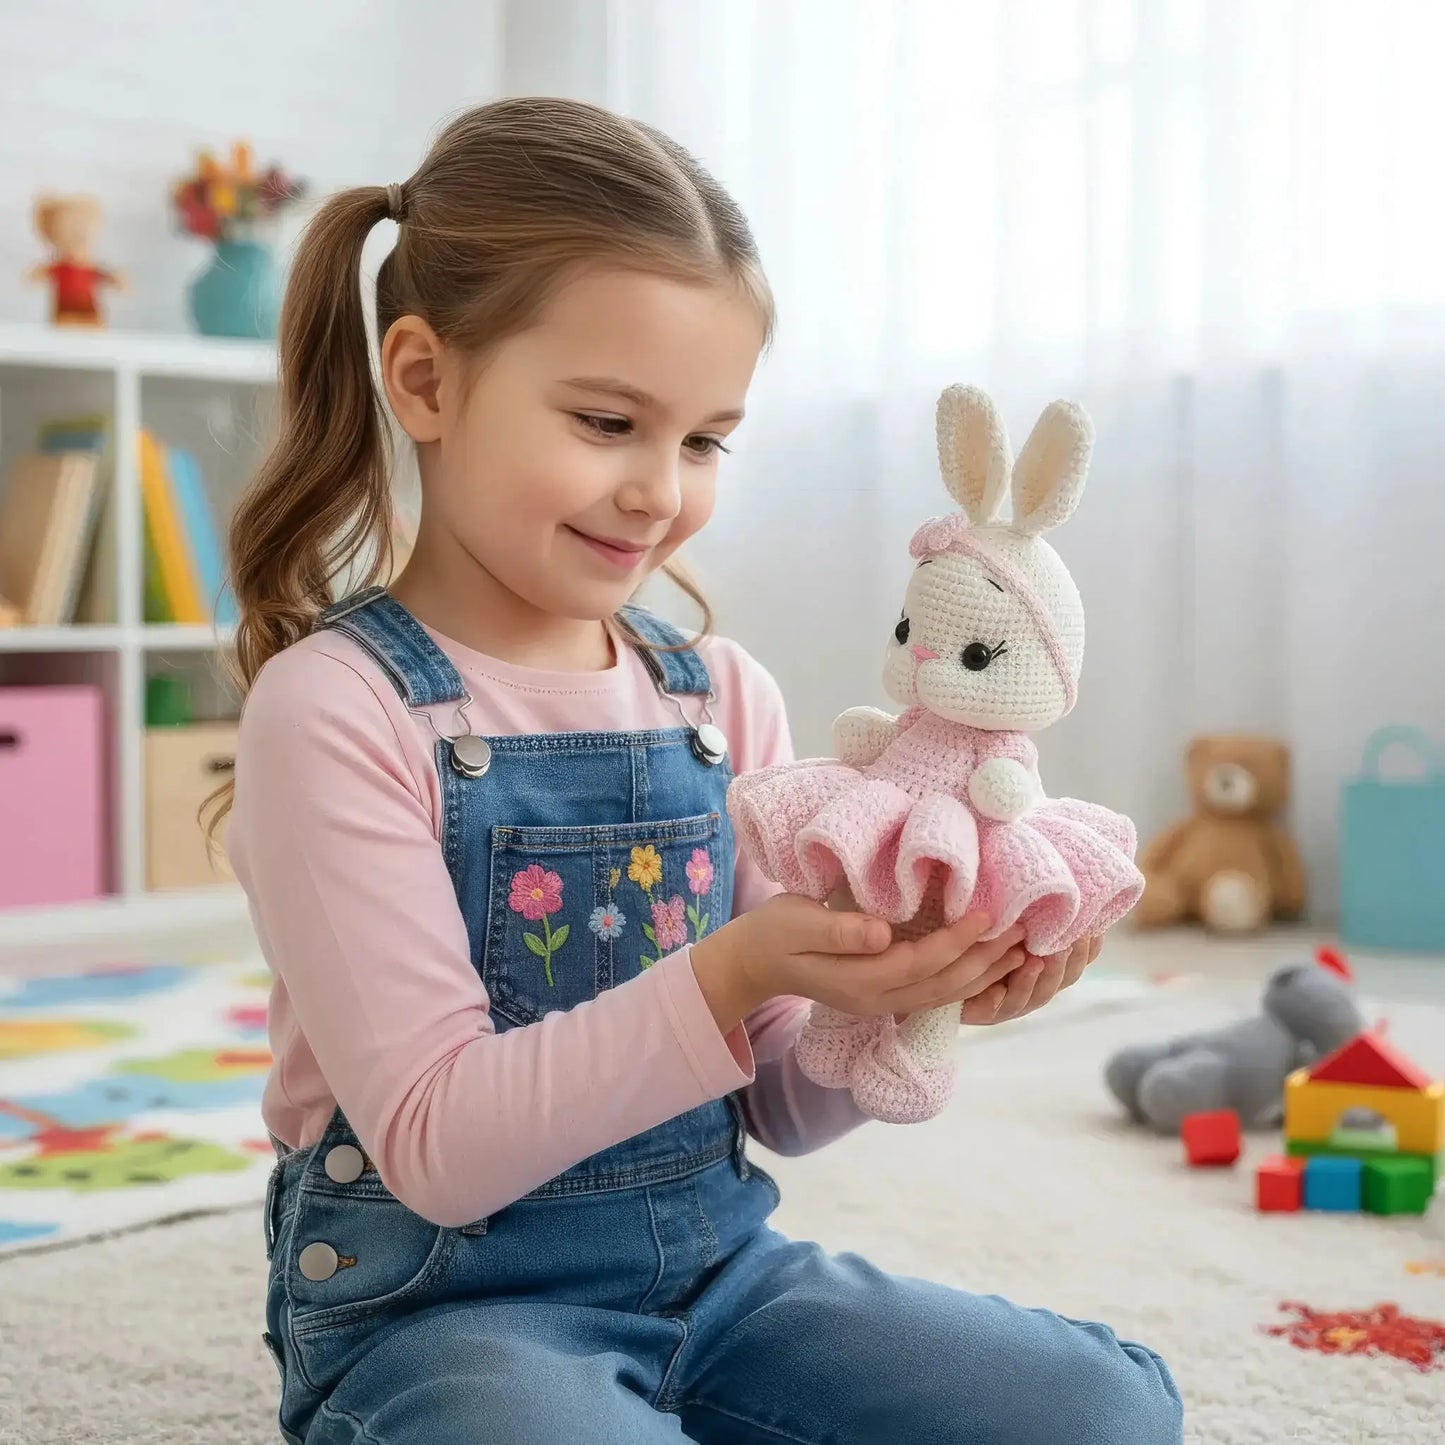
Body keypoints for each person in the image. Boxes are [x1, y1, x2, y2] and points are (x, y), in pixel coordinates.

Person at [222, 96, 1183, 1445]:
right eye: (608, 421)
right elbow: (435, 1143)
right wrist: (738, 966)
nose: (659, 490)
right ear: (425, 379)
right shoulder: (336, 706)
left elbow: (779, 1100)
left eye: (703, 439)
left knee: (1106, 1411)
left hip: (715, 1277)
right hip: (442, 1315)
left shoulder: (718, 694)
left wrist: (914, 991)